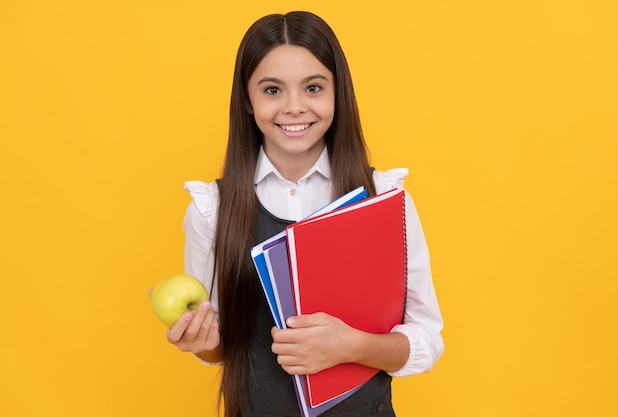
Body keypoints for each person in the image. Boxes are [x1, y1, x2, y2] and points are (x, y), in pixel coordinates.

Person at [165, 11, 444, 417]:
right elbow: (220, 348)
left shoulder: (385, 197)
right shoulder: (213, 209)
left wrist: (352, 345)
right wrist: (201, 342)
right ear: (247, 98)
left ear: (337, 92)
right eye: (272, 90)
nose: (294, 107)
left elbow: (427, 339)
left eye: (313, 87)